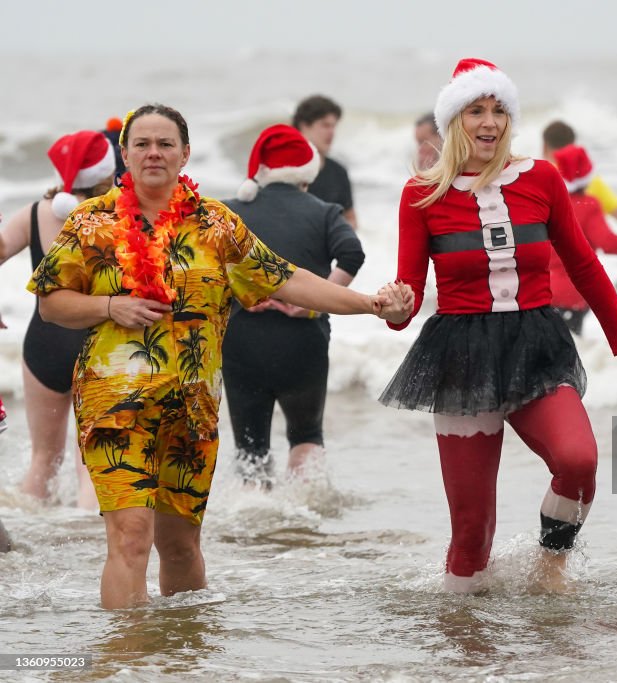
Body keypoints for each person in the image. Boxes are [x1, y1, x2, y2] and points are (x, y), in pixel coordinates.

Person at [26, 103, 411, 609]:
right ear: (125, 154)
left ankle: (183, 652)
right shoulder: (90, 223)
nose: (154, 153)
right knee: (131, 537)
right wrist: (109, 305)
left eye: (166, 144)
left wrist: (369, 305)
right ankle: (127, 663)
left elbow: (287, 278)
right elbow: (52, 302)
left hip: (192, 405)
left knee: (181, 548)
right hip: (113, 405)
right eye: (142, 144)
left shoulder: (217, 225)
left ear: (185, 153)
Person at [379, 58, 617, 593]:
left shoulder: (542, 179)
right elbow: (408, 296)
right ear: (453, 121)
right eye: (475, 110)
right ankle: (464, 640)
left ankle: (551, 566)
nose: (489, 122)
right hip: (460, 358)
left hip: (536, 346)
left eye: (499, 110)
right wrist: (394, 308)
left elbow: (585, 266)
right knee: (472, 533)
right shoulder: (421, 195)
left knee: (578, 460)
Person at [223, 124, 365, 485]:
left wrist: (240, 292)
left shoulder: (228, 212)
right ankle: (302, 518)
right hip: (303, 339)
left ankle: (257, 525)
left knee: (250, 447)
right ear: (306, 173)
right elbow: (352, 253)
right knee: (306, 435)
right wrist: (312, 302)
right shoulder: (324, 212)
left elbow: (202, 265)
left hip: (241, 339)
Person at [0, 130, 118, 507]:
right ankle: (86, 544)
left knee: (43, 460)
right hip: (98, 342)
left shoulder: (35, 213)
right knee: (93, 461)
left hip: (43, 343)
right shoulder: (119, 215)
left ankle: (28, 531)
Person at [548, 144, 617, 334]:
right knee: (572, 351)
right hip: (574, 293)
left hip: (544, 290)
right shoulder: (588, 205)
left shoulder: (550, 202)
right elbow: (610, 245)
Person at [541, 120, 617, 232]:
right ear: (573, 146)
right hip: (587, 248)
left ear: (545, 147)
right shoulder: (589, 181)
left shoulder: (537, 178)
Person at [293, 95, 358, 228]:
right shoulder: (282, 170)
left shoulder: (339, 172)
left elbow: (351, 219)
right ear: (304, 126)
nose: (331, 132)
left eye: (334, 126)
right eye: (325, 125)